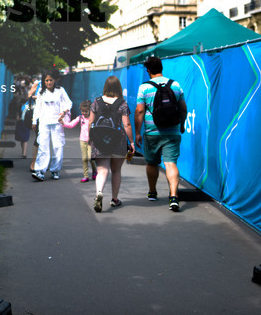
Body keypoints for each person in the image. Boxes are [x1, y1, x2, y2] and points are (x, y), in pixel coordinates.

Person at [135, 56, 188, 212]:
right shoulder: (176, 85)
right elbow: (183, 108)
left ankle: (152, 192)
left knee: (152, 163)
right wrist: (182, 125)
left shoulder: (144, 88)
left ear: (148, 70)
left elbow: (139, 111)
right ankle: (173, 197)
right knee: (170, 163)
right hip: (172, 131)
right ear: (161, 68)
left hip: (152, 132)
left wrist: (138, 132)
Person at [89, 76, 134, 212]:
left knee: (102, 170)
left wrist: (89, 139)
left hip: (99, 140)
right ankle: (114, 199)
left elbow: (90, 123)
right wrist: (131, 142)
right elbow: (126, 124)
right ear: (118, 87)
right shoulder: (122, 103)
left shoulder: (96, 102)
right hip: (117, 141)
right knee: (116, 170)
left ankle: (98, 193)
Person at [31, 70, 72, 181]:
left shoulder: (60, 90)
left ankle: (55, 170)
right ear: (44, 81)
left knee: (57, 147)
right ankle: (39, 170)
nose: (49, 82)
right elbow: (37, 108)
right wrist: (34, 121)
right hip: (44, 122)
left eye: (50, 80)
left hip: (57, 123)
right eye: (46, 80)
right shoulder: (40, 92)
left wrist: (63, 112)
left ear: (55, 80)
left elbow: (69, 103)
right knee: (43, 146)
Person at [61, 100, 94, 182]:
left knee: (90, 158)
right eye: (82, 111)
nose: (84, 113)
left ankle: (95, 171)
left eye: (86, 111)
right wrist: (63, 123)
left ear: (90, 110)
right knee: (84, 159)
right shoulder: (80, 118)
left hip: (92, 141)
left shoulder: (93, 119)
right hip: (82, 140)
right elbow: (71, 125)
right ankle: (86, 175)